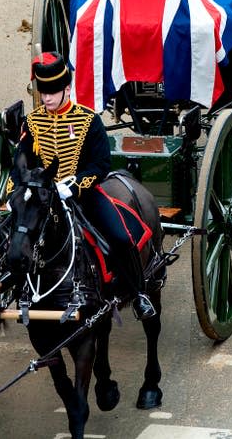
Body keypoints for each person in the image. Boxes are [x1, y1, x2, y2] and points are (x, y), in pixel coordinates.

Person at [11, 53, 157, 320]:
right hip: (43, 199)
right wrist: (18, 191)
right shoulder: (31, 123)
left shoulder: (89, 120)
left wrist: (74, 185)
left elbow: (101, 165)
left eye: (53, 92)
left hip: (83, 196)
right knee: (14, 234)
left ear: (67, 89)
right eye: (43, 93)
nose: (47, 99)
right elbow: (20, 162)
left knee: (121, 237)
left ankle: (138, 294)